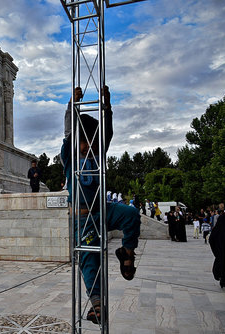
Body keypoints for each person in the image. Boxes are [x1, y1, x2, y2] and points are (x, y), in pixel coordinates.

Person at [61, 86, 140, 324]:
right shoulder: (70, 156)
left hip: (103, 210)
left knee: (131, 214)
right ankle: (96, 303)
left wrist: (107, 106)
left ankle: (127, 252)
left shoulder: (99, 153)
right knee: (88, 259)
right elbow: (68, 130)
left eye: (91, 143)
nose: (88, 147)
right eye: (84, 142)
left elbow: (107, 132)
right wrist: (71, 105)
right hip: (84, 218)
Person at [209, 211, 225, 290]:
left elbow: (211, 240)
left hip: (220, 254)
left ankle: (222, 282)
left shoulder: (217, 229)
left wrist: (217, 251)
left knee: (222, 267)